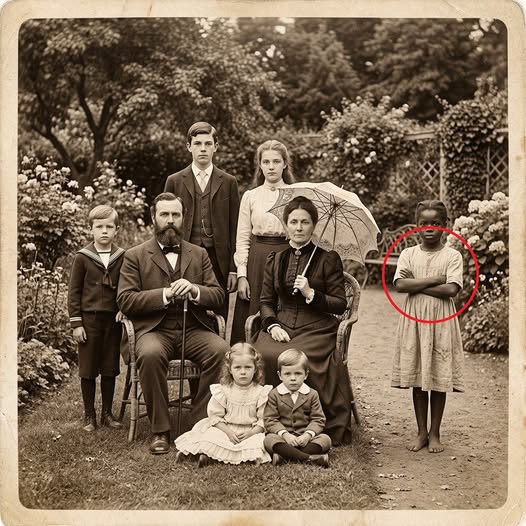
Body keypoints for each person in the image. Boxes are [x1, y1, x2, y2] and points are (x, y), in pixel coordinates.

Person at [117, 192, 229, 455]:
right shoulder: (134, 256)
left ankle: (201, 423)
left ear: (183, 218)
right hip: (154, 330)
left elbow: (218, 295)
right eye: (164, 214)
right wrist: (165, 294)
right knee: (150, 354)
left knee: (222, 351)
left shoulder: (199, 254)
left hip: (194, 328)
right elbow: (125, 299)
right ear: (153, 218)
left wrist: (194, 289)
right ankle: (161, 430)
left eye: (175, 215)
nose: (170, 220)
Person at [252, 196, 353, 446]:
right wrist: (272, 325)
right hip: (281, 325)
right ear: (286, 225)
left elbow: (340, 304)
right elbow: (265, 301)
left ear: (313, 226)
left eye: (305, 222)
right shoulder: (275, 258)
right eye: (294, 222)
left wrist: (311, 293)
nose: (299, 227)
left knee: (303, 358)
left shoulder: (328, 259)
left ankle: (311, 423)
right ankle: (265, 421)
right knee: (263, 355)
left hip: (317, 328)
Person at [391, 199, 464, 453]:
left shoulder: (452, 255)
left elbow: (451, 289)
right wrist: (434, 279)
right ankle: (421, 432)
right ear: (416, 226)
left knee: (438, 375)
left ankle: (435, 433)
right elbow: (400, 284)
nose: (429, 228)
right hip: (415, 319)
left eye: (436, 223)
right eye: (424, 223)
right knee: (418, 375)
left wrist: (417, 284)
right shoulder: (409, 254)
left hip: (441, 319)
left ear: (445, 225)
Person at [164, 122, 240, 320]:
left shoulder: (229, 182)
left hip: (218, 259)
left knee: (218, 309)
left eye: (208, 143)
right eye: (197, 144)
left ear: (216, 146)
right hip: (184, 255)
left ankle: (217, 340)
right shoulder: (174, 181)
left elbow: (235, 228)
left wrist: (233, 270)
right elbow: (165, 224)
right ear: (189, 146)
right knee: (183, 310)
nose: (203, 149)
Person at [230, 139, 295, 344]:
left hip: (286, 256)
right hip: (257, 259)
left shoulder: (295, 195)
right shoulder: (251, 196)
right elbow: (242, 238)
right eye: (266, 162)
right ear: (260, 165)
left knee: (283, 307)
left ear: (285, 164)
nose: (271, 167)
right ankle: (248, 358)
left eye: (276, 161)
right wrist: (242, 275)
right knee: (253, 309)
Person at [68, 205, 125, 432]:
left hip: (113, 321)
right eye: (99, 227)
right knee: (88, 368)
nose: (104, 231)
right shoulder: (83, 257)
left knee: (110, 367)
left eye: (109, 227)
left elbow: (127, 287)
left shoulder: (122, 257)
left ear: (116, 229)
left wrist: (124, 309)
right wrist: (76, 324)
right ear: (90, 229)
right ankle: (89, 415)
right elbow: (74, 292)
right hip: (89, 321)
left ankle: (107, 414)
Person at [174, 343, 273, 467]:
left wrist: (251, 433)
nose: (243, 372)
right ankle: (204, 456)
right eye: (237, 367)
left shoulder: (261, 392)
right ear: (230, 369)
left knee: (258, 442)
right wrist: (228, 433)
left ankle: (248, 458)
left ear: (255, 369)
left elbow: (263, 419)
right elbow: (215, 416)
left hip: (251, 430)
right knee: (211, 436)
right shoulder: (223, 390)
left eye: (248, 367)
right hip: (225, 428)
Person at [264, 349, 331, 467]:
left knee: (325, 439)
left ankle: (284, 456)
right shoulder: (274, 394)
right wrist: (285, 435)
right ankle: (310, 458)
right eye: (287, 374)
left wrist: (307, 435)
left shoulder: (312, 394)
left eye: (298, 373)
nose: (293, 378)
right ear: (280, 375)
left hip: (305, 439)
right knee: (269, 439)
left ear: (306, 375)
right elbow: (270, 420)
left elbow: (318, 419)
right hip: (284, 438)